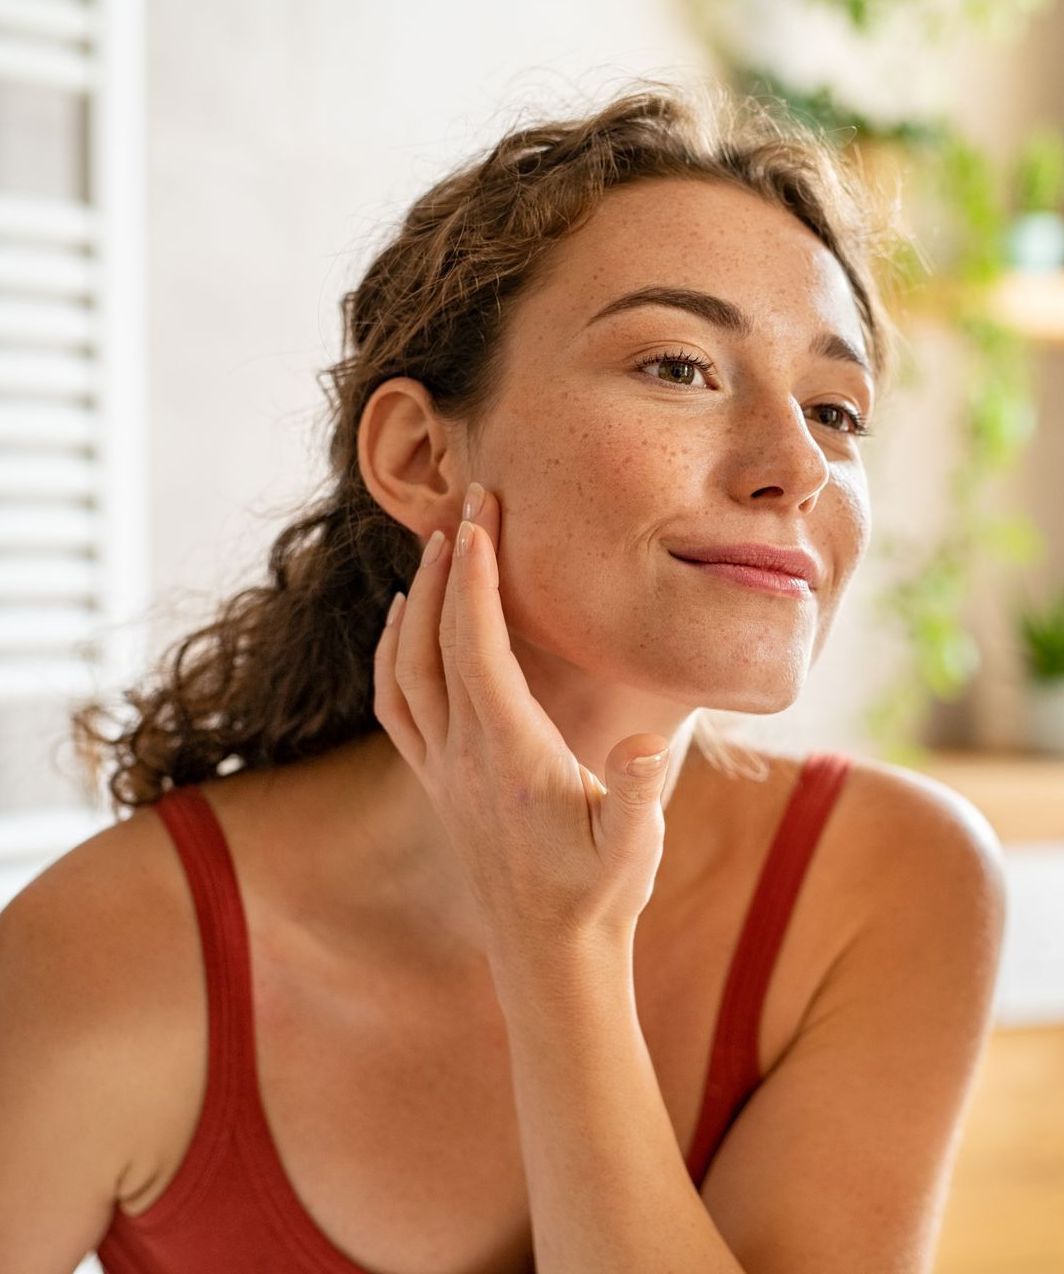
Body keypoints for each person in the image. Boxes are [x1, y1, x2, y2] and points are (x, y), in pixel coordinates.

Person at [0, 81, 1010, 1274]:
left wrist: (561, 946)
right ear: (420, 455)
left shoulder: (889, 885)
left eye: (836, 409)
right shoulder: (110, 947)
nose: (794, 463)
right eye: (680, 366)